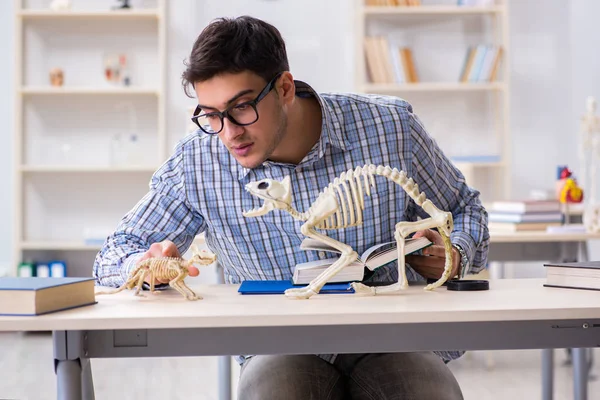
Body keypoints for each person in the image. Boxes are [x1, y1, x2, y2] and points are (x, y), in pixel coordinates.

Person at [93, 15, 489, 400]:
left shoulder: (390, 126)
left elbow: (466, 208)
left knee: (425, 390)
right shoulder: (198, 161)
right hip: (277, 343)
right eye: (211, 115)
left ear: (284, 88)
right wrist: (147, 265)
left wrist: (454, 253)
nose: (229, 133)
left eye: (242, 107)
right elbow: (114, 252)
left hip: (393, 334)